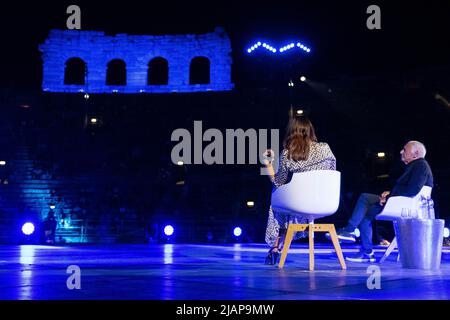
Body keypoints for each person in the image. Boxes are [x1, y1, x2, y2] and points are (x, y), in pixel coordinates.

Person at [332, 140, 433, 262]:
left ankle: (349, 231)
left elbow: (413, 189)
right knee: (365, 213)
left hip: (406, 206)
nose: (401, 151)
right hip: (399, 201)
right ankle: (366, 251)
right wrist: (390, 194)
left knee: (364, 199)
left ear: (415, 153)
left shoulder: (420, 165)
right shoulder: (415, 166)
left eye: (405, 149)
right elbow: (406, 188)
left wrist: (390, 197)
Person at [263, 115, 336, 264]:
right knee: (291, 200)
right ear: (310, 131)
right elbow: (332, 172)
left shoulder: (287, 154)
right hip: (325, 202)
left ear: (291, 132)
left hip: (300, 204)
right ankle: (279, 246)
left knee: (278, 197)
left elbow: (278, 182)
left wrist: (267, 164)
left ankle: (276, 246)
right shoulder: (325, 148)